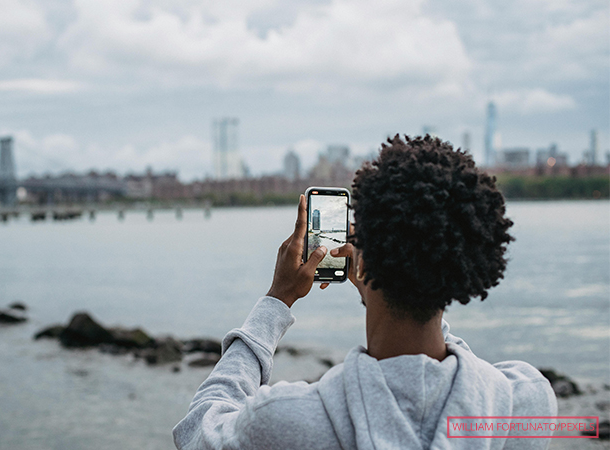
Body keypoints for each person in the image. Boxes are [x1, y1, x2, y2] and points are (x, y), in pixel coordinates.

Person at [173, 135, 557, 449]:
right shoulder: (527, 403)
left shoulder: (287, 421)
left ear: (362, 260)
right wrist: (401, 274)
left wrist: (277, 300)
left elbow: (198, 430)